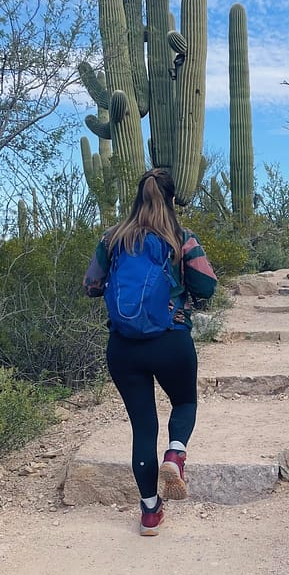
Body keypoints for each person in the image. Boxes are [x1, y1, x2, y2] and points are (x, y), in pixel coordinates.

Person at [84, 168, 217, 536]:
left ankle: (149, 513)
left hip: (124, 347)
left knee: (143, 427)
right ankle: (175, 453)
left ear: (136, 198)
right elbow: (207, 286)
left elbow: (91, 286)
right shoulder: (181, 239)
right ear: (172, 199)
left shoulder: (112, 239)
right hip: (171, 340)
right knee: (185, 403)